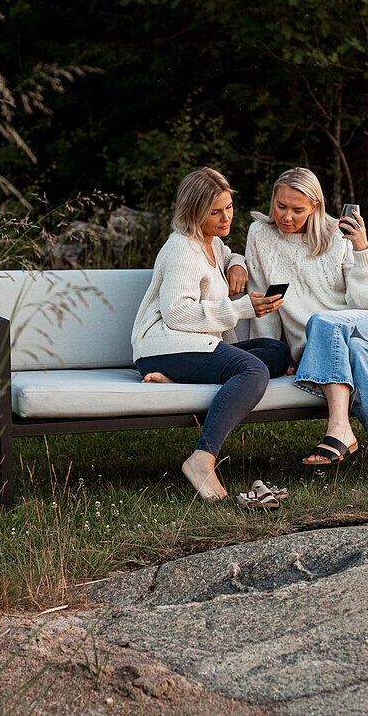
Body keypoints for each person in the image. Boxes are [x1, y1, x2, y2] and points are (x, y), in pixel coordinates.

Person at [244, 167, 368, 484]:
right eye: (281, 206)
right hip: (339, 347)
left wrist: (362, 248)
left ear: (315, 207)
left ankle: (339, 426)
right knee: (357, 353)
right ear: (273, 202)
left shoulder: (338, 234)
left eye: (298, 210)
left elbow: (367, 303)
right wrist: (275, 357)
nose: (287, 217)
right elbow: (267, 307)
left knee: (324, 321)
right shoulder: (260, 235)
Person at [131, 167, 290, 501]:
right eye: (215, 212)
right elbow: (176, 313)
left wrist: (237, 265)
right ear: (194, 212)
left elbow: (228, 253)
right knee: (253, 369)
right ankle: (202, 460)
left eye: (229, 207)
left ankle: (177, 379)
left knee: (276, 352)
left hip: (190, 346)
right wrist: (243, 308)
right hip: (163, 345)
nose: (225, 217)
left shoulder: (212, 243)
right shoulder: (182, 250)